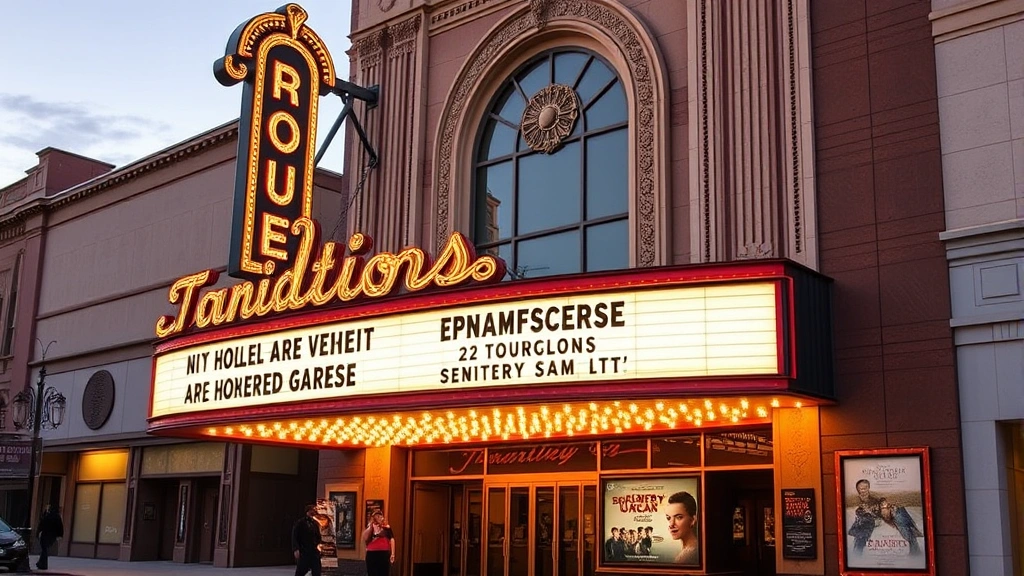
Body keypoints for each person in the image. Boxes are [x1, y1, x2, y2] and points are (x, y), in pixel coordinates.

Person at [666, 491, 699, 565]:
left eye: (678, 517)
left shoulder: (691, 555)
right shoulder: (686, 552)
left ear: (692, 520)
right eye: (668, 518)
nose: (671, 524)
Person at [362, 509, 395, 576]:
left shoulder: (386, 528)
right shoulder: (370, 528)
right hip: (371, 553)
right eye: (377, 516)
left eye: (380, 516)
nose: (379, 518)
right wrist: (372, 527)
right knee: (372, 572)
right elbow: (365, 538)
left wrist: (393, 554)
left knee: (383, 572)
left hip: (383, 553)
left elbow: (392, 539)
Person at [292, 505, 322, 576]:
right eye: (311, 510)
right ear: (307, 512)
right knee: (301, 570)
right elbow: (294, 536)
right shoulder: (300, 523)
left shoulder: (315, 523)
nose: (313, 512)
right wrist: (296, 549)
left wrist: (319, 545)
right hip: (304, 550)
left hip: (314, 551)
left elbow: (318, 536)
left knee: (317, 570)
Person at [36, 505, 64, 570]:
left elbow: (41, 524)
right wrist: (60, 535)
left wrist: (38, 533)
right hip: (52, 536)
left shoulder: (47, 516)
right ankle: (40, 563)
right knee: (44, 549)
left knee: (44, 549)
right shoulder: (57, 517)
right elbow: (60, 527)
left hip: (45, 534)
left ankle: (43, 564)